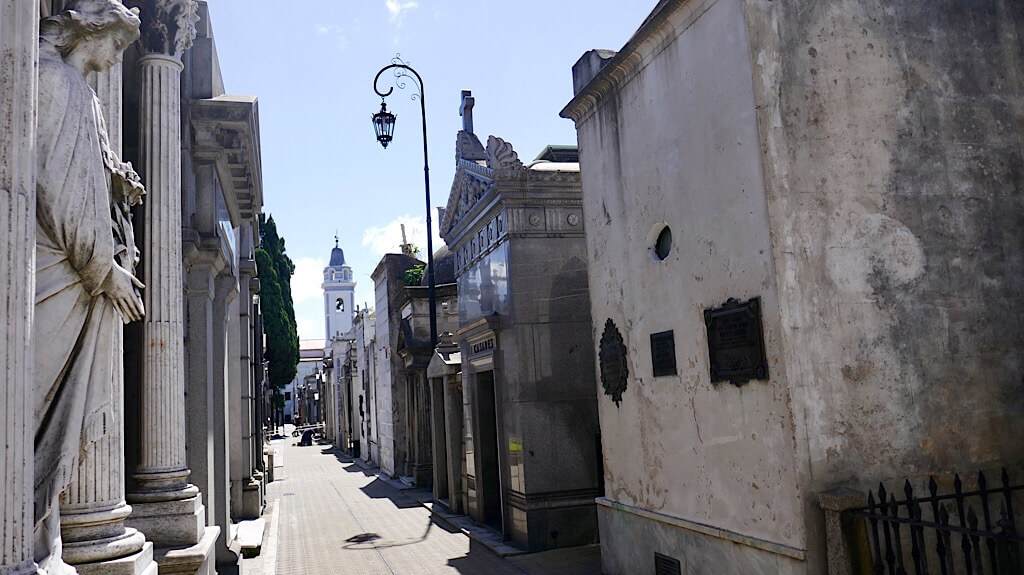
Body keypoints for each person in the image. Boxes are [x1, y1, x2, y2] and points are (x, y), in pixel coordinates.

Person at [35, 2, 143, 572]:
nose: (117, 58)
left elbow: (86, 178)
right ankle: (30, 537)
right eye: (117, 44)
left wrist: (116, 180)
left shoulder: (85, 96)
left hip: (73, 274)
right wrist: (104, 270)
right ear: (91, 29)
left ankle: (41, 540)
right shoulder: (57, 82)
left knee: (54, 415)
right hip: (57, 275)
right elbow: (59, 193)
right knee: (37, 408)